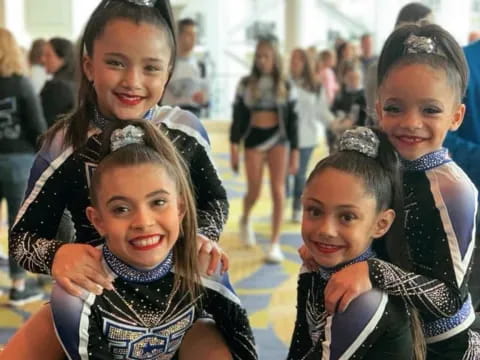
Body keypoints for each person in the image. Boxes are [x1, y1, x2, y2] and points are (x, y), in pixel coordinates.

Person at [8, 0, 230, 358]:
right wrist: (58, 255)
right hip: (93, 306)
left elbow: (214, 200)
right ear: (88, 65)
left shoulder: (185, 131)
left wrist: (203, 236)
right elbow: (22, 241)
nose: (132, 81)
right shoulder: (66, 143)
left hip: (183, 309)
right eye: (115, 63)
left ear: (168, 73)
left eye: (151, 68)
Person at [304, 23, 480, 359]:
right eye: (395, 108)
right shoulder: (383, 160)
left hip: (441, 346)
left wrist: (373, 270)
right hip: (386, 320)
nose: (411, 122)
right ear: (379, 106)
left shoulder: (454, 189)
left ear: (456, 117)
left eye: (430, 110)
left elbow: (447, 300)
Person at [50, 120, 257, 359]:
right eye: (121, 209)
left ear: (180, 209)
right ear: (98, 221)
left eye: (158, 202)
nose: (143, 222)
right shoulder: (78, 293)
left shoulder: (205, 265)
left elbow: (242, 345)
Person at [288, 127, 423, 359]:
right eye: (314, 211)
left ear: (381, 224)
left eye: (347, 217)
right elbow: (299, 348)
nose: (326, 230)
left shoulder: (363, 300)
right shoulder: (315, 269)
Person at [230, 36, 298, 263]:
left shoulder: (286, 85)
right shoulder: (246, 83)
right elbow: (238, 116)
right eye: (258, 56)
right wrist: (233, 146)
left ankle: (275, 243)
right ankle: (246, 218)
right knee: (255, 190)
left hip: (279, 138)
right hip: (253, 138)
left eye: (266, 56)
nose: (261, 60)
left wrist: (295, 150)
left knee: (279, 190)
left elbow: (293, 119)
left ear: (275, 58)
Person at [0, 28, 47, 306]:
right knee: (18, 224)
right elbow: (37, 126)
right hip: (18, 160)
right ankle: (18, 285)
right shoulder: (22, 84)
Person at [364, 2, 433, 124]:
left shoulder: (432, 69)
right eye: (428, 22)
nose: (433, 29)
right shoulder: (379, 68)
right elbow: (374, 112)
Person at [288, 48, 332, 223]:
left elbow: (322, 111)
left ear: (306, 63)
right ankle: (284, 203)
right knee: (283, 177)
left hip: (306, 137)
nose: (294, 63)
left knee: (300, 174)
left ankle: (297, 208)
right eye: (292, 59)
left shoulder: (315, 86)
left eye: (298, 60)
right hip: (285, 138)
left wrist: (336, 124)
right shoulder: (284, 83)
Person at [162, 18, 208, 118]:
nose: (193, 39)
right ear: (179, 36)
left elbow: (206, 98)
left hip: (193, 115)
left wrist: (203, 98)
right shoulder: (166, 62)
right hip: (169, 115)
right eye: (189, 34)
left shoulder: (200, 65)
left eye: (195, 35)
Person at [40, 37, 76, 126]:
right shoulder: (77, 83)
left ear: (63, 59)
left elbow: (43, 122)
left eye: (48, 55)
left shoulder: (56, 87)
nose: (43, 59)